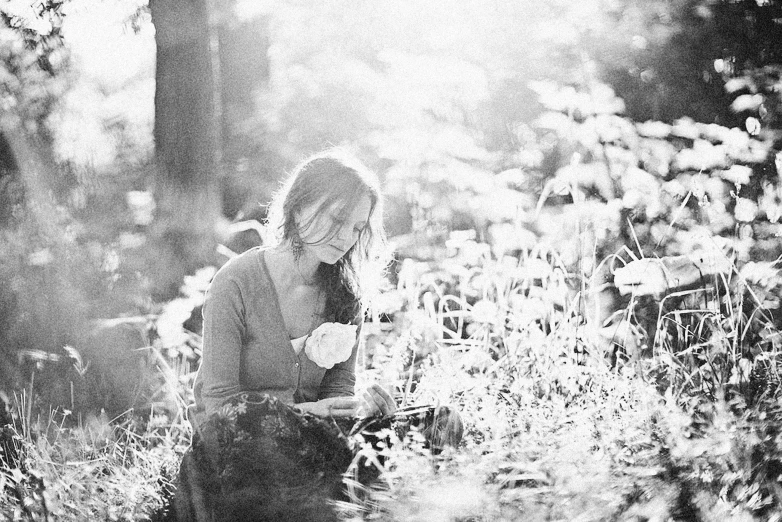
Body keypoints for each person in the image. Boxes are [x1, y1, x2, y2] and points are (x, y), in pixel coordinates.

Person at [169, 149, 460, 522]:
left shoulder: (346, 294)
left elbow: (336, 396)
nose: (346, 237)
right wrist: (307, 413)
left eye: (356, 228)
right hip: (239, 446)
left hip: (314, 444)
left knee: (441, 420)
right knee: (247, 417)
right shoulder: (235, 282)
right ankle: (334, 498)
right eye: (337, 219)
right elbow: (220, 404)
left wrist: (364, 411)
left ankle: (341, 499)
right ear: (298, 206)